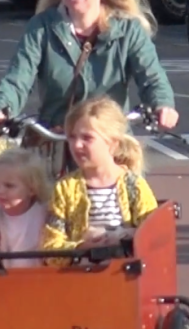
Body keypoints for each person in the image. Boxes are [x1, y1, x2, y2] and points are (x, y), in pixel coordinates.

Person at [0, 0, 179, 181]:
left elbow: (152, 77)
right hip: (55, 149)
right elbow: (17, 80)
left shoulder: (129, 31)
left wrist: (162, 105)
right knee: (43, 212)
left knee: (126, 210)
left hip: (110, 151)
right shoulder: (42, 28)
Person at [42, 95, 158, 264]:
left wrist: (123, 239)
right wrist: (80, 248)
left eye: (87, 138)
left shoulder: (133, 185)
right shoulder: (65, 188)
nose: (76, 145)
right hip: (80, 280)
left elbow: (152, 237)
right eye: (72, 137)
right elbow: (50, 246)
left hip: (123, 277)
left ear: (113, 144)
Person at [0, 148, 52, 268]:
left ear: (31, 189)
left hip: (40, 280)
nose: (0, 190)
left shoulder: (45, 214)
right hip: (5, 282)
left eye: (9, 186)